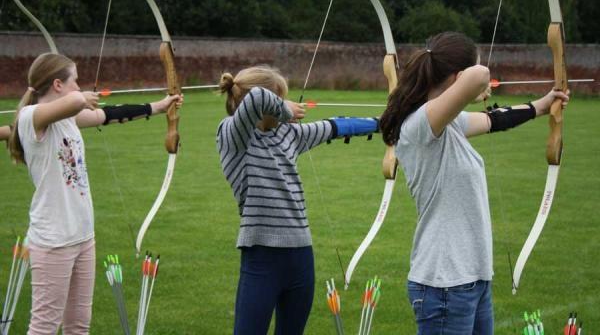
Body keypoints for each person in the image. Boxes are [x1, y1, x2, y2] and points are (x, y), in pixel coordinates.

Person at [379, 32, 569, 335]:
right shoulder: (420, 125)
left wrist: (543, 105)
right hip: (444, 284)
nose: (485, 84)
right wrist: (474, 83)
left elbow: (496, 119)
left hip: (472, 278)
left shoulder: (447, 123)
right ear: (458, 77)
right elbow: (480, 74)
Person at [7, 52, 182, 335]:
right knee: (44, 327)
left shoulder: (69, 119)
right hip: (53, 240)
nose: (79, 86)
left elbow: (109, 114)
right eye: (75, 80)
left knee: (79, 325)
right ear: (57, 85)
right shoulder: (31, 118)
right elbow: (77, 101)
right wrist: (81, 98)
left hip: (83, 236)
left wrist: (159, 106)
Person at [217, 65, 378, 335]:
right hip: (261, 257)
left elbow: (335, 127)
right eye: (280, 99)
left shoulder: (288, 134)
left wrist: (384, 122)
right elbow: (257, 96)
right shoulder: (233, 137)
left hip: (301, 256)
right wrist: (286, 109)